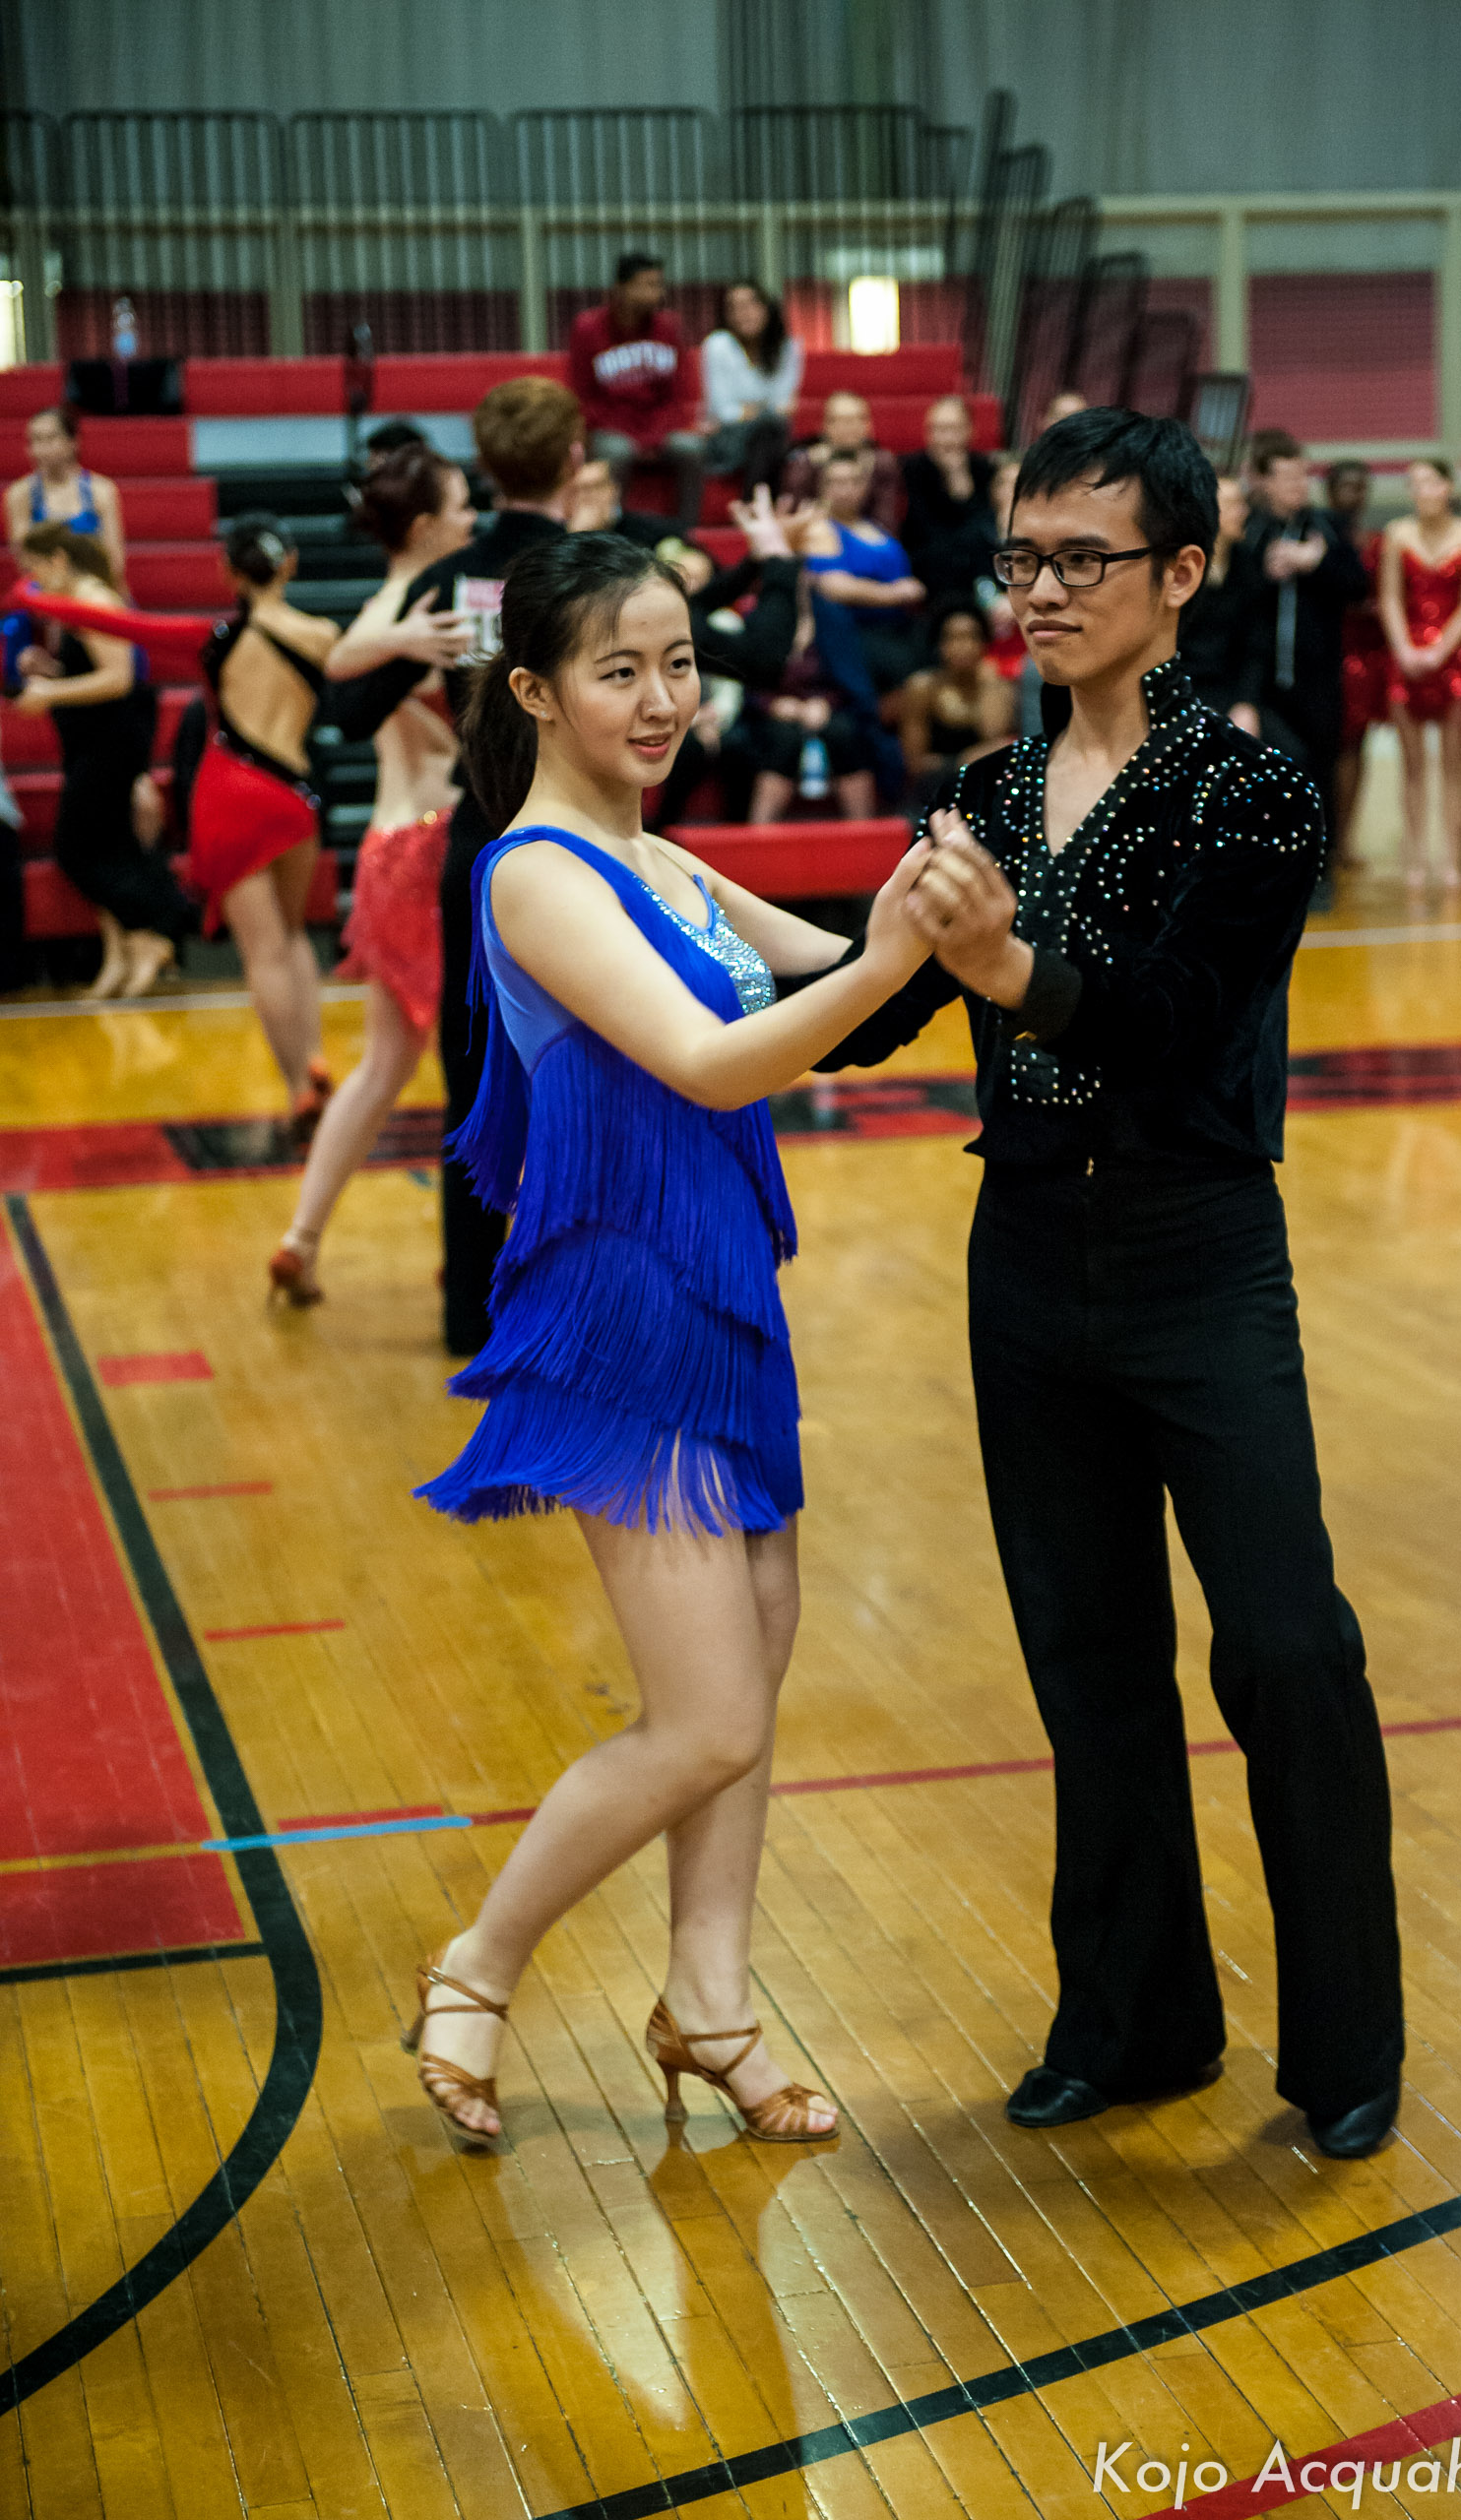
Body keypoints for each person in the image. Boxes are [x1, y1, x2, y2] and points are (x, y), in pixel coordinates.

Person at [817, 406, 1404, 2161]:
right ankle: (1134, 2024)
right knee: (1087, 1661)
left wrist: (1005, 964)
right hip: (1024, 1261)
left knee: (1285, 1645)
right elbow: (874, 1006)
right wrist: (661, 901)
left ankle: (1345, 2043)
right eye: (1024, 557)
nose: (1043, 591)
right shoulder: (986, 793)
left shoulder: (1251, 791)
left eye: (1084, 559)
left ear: (1182, 572)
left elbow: (1167, 1025)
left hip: (1196, 1257)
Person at [401, 532, 934, 2143]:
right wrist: (897, 953)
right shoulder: (535, 874)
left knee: (748, 1681)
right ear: (533, 691)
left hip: (724, 1298)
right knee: (704, 1718)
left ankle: (709, 2003)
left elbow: (832, 974)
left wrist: (940, 903)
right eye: (618, 670)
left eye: (679, 664)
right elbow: (714, 1062)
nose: (660, 699)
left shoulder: (666, 862)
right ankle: (476, 1966)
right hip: (621, 1308)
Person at [329, 388, 803, 1356]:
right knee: (625, 1080)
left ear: (487, 464)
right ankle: (622, 1296)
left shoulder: (456, 578)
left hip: (481, 852)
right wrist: (778, 566)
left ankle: (473, 1315)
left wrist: (400, 641)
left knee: (476, 1088)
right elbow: (757, 655)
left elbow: (348, 711)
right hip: (596, 856)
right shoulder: (596, 584)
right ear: (576, 454)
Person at [268, 443, 476, 1304]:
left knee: (384, 1066)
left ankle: (302, 1237)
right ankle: (478, 1251)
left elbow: (344, 656)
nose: (474, 519)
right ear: (425, 526)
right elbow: (341, 663)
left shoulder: (380, 608)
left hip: (387, 845)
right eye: (461, 507)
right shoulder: (430, 612)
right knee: (483, 1062)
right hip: (439, 841)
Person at [187, 518, 348, 1131]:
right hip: (294, 796)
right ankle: (314, 1055)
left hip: (230, 795)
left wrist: (34, 597)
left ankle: (297, 1088)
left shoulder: (216, 639)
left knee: (263, 953)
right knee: (295, 934)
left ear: (226, 572)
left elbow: (127, 625)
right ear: (291, 564)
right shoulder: (322, 634)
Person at [14, 524, 193, 997]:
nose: (32, 579)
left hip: (111, 742)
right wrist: (52, 671)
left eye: (35, 567)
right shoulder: (76, 602)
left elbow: (118, 679)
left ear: (58, 559)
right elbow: (92, 669)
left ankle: (159, 925)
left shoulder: (94, 600)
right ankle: (120, 953)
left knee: (76, 849)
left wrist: (50, 692)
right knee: (110, 845)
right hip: (90, 738)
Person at [1242, 432, 1367, 886]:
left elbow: (1358, 586)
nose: (1298, 486)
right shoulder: (1250, 529)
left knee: (1320, 769)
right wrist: (1266, 571)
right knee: (1265, 772)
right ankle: (1266, 865)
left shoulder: (1326, 527)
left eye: (1302, 476)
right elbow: (1231, 595)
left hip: (1317, 679)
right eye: (1287, 477)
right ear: (1264, 481)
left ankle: (1320, 868)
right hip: (1263, 680)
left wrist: (1315, 564)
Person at [1379, 460, 1461, 892]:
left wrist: (1441, 650)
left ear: (1448, 487)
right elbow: (1390, 597)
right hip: (1406, 654)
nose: (1422, 491)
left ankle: (1451, 859)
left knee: (1453, 764)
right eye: (1415, 484)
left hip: (1453, 655)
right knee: (1412, 766)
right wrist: (1404, 648)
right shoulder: (1397, 534)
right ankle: (1415, 857)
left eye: (1430, 482)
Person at [724, 570, 878, 824]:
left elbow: (851, 677)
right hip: (770, 711)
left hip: (827, 707)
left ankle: (864, 830)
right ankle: (760, 831)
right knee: (784, 738)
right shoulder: (757, 621)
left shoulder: (833, 619)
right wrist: (772, 704)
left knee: (844, 733)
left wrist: (825, 703)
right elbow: (744, 682)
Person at [569, 254, 705, 534]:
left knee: (692, 448)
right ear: (621, 289)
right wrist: (631, 435)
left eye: (659, 285)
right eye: (647, 285)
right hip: (611, 427)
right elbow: (583, 397)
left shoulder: (669, 327)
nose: (657, 293)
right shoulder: (588, 328)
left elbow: (678, 395)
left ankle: (686, 531)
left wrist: (654, 434)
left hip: (658, 427)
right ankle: (611, 533)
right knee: (617, 451)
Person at [801, 450, 925, 697]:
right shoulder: (820, 529)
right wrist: (896, 593)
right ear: (822, 488)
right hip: (853, 633)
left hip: (899, 627)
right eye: (836, 482)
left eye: (852, 481)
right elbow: (833, 587)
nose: (845, 489)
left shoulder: (876, 529)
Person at [898, 596, 1017, 805]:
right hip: (934, 792)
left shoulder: (996, 684)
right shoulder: (922, 688)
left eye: (972, 637)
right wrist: (963, 761)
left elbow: (994, 736)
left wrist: (988, 683)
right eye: (952, 638)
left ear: (984, 643)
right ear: (939, 644)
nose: (963, 646)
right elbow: (914, 764)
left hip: (985, 791)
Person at [1324, 460, 1384, 866]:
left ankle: (1344, 838)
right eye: (1348, 486)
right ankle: (1326, 836)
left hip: (1367, 652)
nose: (1356, 495)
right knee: (1331, 747)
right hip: (1330, 651)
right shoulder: (1320, 534)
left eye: (1362, 487)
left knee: (1357, 745)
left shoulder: (1374, 540)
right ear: (1330, 492)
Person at [1175, 472, 1263, 734]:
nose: (1245, 512)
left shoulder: (1246, 563)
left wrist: (1246, 703)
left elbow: (1255, 645)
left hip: (1231, 691)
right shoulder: (1178, 569)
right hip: (1184, 691)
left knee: (1289, 752)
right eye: (1234, 505)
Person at [699, 282, 802, 496]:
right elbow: (723, 411)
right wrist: (762, 409)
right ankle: (758, 505)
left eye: (750, 305)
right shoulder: (718, 345)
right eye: (734, 308)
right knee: (770, 429)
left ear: (767, 308)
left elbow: (785, 406)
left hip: (770, 434)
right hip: (726, 439)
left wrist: (751, 410)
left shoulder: (787, 347)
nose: (743, 314)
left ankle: (753, 504)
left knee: (770, 430)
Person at [5, 406, 125, 582]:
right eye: (35, 440)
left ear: (73, 442)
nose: (41, 449)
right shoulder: (20, 494)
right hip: (44, 586)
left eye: (50, 439)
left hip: (93, 584)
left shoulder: (101, 490)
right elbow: (25, 560)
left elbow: (114, 561)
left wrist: (83, 589)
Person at [900, 396, 998, 600]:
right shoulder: (911, 469)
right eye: (937, 430)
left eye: (952, 429)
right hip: (930, 566)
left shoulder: (985, 470)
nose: (945, 439)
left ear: (970, 431)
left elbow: (985, 530)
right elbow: (921, 529)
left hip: (977, 564)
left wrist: (961, 485)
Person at [782, 392, 903, 531]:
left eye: (855, 420)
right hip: (816, 533)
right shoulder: (805, 463)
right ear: (824, 425)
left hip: (867, 535)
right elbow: (793, 516)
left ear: (868, 425)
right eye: (840, 420)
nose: (848, 427)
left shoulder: (881, 463)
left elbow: (885, 521)